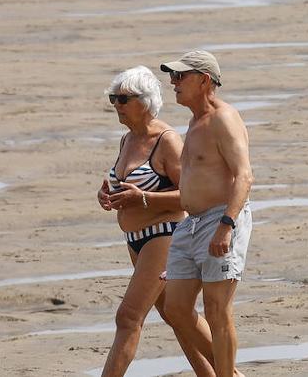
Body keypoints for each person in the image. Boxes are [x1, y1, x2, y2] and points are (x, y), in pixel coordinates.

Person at [96, 66, 230, 377]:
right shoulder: (127, 140)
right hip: (136, 241)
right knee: (177, 317)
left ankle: (230, 371)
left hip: (164, 237)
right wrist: (108, 193)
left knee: (128, 317)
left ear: (145, 101)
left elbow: (191, 195)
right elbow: (128, 183)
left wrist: (142, 199)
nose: (116, 104)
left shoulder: (166, 140)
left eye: (123, 99)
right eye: (113, 98)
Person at [159, 50, 254, 377]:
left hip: (220, 220)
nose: (173, 83)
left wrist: (226, 226)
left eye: (180, 76)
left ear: (204, 80)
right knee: (175, 308)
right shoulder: (194, 120)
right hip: (192, 224)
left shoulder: (223, 118)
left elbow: (244, 175)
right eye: (172, 76)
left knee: (216, 309)